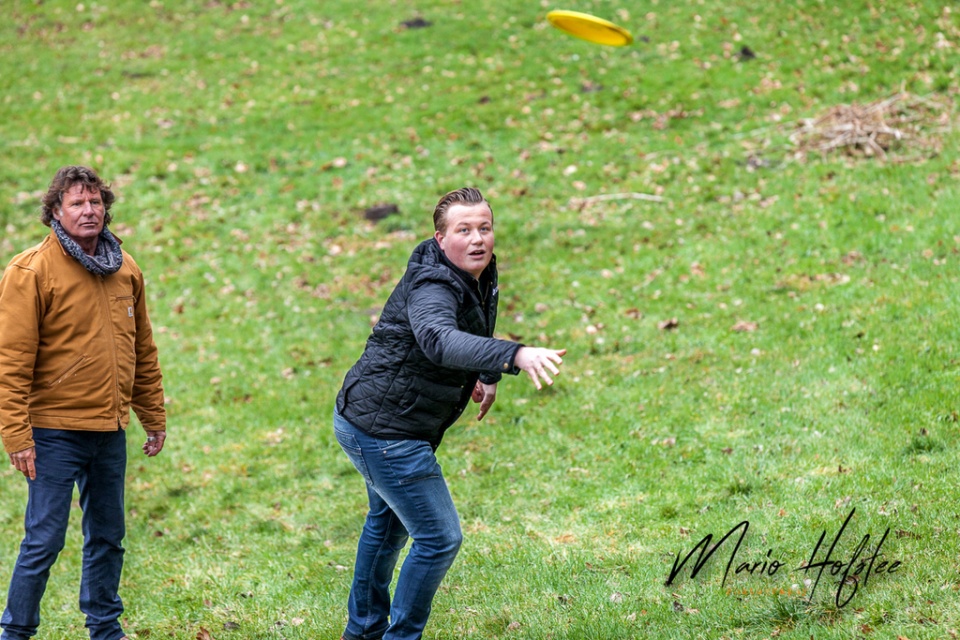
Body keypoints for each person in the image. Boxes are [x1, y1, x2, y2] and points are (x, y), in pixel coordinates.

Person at [333, 187, 566, 640]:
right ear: (440, 239)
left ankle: (361, 632)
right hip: (384, 431)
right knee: (439, 538)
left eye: (485, 228)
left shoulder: (474, 270)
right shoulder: (433, 285)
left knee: (387, 526)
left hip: (381, 419)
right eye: (464, 230)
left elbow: (471, 326)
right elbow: (439, 338)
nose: (478, 239)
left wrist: (487, 373)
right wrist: (513, 355)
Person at [0, 166, 167, 640]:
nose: (88, 210)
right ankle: (15, 633)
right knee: (44, 541)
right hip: (52, 432)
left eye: (95, 202)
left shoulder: (125, 268)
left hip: (109, 431)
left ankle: (105, 629)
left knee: (108, 537)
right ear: (55, 212)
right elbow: (10, 361)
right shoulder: (30, 271)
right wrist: (16, 435)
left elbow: (142, 350)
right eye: (76, 203)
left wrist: (152, 415)